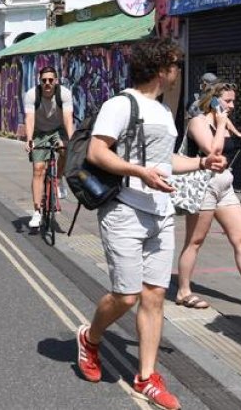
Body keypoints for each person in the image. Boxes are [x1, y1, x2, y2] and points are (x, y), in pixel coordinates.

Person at [76, 37, 227, 410]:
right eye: (175, 65)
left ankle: (146, 376)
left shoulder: (162, 110)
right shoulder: (120, 104)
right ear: (162, 68)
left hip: (160, 212)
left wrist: (201, 163)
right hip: (125, 208)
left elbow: (166, 160)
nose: (178, 72)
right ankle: (90, 338)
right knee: (126, 295)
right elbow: (97, 151)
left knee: (155, 295)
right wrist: (138, 172)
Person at [174, 81, 241, 310]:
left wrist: (233, 129)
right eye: (227, 101)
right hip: (204, 188)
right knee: (195, 241)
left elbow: (234, 140)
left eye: (233, 100)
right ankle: (183, 291)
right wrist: (221, 124)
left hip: (225, 187)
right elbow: (213, 152)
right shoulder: (197, 122)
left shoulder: (224, 121)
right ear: (212, 101)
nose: (232, 105)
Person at [24, 66, 76, 230]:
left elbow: (68, 119)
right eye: (44, 80)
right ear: (40, 81)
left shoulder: (65, 94)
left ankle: (58, 180)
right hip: (39, 132)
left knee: (64, 149)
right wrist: (30, 139)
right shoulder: (32, 94)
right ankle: (37, 211)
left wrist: (71, 140)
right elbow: (30, 119)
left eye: (50, 80)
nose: (47, 83)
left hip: (58, 130)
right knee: (38, 169)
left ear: (56, 81)